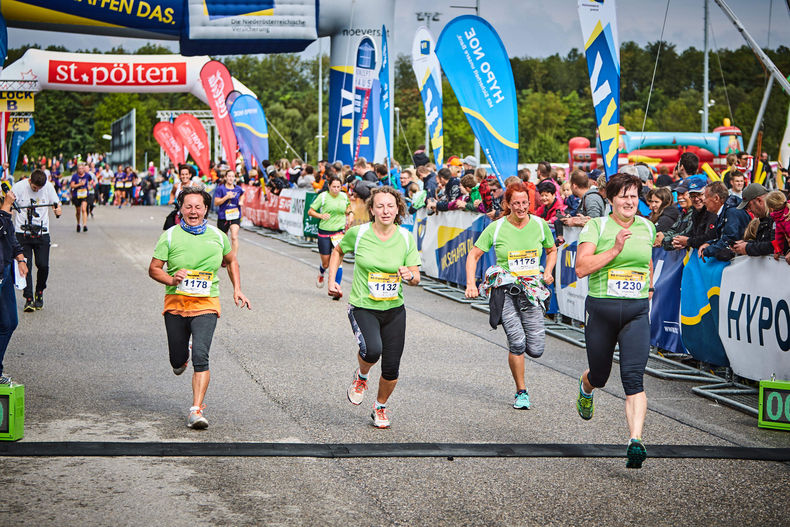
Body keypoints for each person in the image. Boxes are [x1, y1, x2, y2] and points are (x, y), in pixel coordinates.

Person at [148, 186, 251, 429]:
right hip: (175, 305)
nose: (193, 211)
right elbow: (153, 268)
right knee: (177, 361)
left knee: (201, 356)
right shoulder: (170, 235)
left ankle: (196, 409)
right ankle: (181, 358)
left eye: (198, 207)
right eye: (188, 207)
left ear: (206, 209)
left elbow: (231, 261)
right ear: (181, 209)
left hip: (206, 303)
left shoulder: (218, 236)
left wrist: (237, 288)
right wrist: (172, 279)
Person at [574, 172, 656, 469]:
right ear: (610, 199)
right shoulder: (597, 226)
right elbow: (581, 268)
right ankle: (586, 388)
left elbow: (645, 260)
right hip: (602, 311)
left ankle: (635, 440)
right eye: (624, 196)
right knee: (600, 375)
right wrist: (616, 249)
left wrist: (647, 287)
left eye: (634, 196)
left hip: (635, 313)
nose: (630, 202)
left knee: (633, 378)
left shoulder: (647, 226)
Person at [327, 186, 421, 429]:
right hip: (363, 306)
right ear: (371, 209)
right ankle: (361, 377)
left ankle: (380, 406)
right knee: (372, 351)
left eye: (390, 206)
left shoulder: (405, 237)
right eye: (380, 206)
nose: (385, 210)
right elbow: (337, 251)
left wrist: (408, 274)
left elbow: (416, 277)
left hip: (394, 309)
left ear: (398, 208)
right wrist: (332, 280)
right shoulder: (358, 234)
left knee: (391, 367)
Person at [464, 182, 556, 409]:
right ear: (508, 204)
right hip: (504, 290)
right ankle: (521, 392)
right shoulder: (496, 228)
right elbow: (473, 255)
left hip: (531, 291)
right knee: (516, 342)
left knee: (535, 349)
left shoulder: (540, 225)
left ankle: (522, 376)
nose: (521, 207)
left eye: (525, 202)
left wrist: (548, 271)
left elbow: (552, 250)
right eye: (516, 203)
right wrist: (470, 284)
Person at [11, 169, 62, 312]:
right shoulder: (19, 187)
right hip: (23, 233)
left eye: (40, 188)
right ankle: (28, 299)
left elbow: (56, 204)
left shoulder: (48, 187)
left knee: (43, 265)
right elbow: (8, 203)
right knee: (25, 266)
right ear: (29, 181)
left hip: (42, 233)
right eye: (34, 188)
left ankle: (39, 291)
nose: (37, 190)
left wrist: (58, 210)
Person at [0, 189, 28, 384]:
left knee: (9, 322)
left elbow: (8, 232)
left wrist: (20, 257)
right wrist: (6, 207)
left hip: (6, 270)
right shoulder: (4, 208)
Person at [308, 175, 352, 294]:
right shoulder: (323, 197)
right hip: (324, 233)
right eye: (334, 187)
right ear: (329, 186)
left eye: (338, 187)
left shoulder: (343, 196)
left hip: (338, 233)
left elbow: (348, 208)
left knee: (339, 261)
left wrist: (350, 213)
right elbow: (310, 211)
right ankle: (322, 272)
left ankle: (336, 287)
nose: (336, 189)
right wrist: (320, 216)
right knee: (326, 263)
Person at [698, 181, 749, 262]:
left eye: (706, 197)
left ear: (716, 198)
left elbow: (730, 239)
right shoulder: (726, 211)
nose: (704, 201)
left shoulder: (732, 212)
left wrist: (708, 250)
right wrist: (709, 243)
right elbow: (722, 237)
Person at [732, 184, 774, 258]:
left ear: (759, 200)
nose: (749, 210)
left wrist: (747, 248)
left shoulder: (777, 216)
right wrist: (746, 243)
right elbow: (764, 242)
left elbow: (774, 245)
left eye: (749, 206)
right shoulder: (764, 219)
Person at [213, 169, 245, 256]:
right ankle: (224, 256)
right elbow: (216, 203)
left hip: (235, 215)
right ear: (226, 177)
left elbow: (242, 194)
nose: (231, 178)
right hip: (223, 216)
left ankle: (233, 259)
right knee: (224, 238)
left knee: (234, 236)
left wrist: (241, 201)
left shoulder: (238, 188)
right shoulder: (221, 189)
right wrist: (226, 197)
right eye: (229, 176)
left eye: (232, 176)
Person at [766, 190, 790, 264]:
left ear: (771, 208)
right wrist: (778, 250)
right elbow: (778, 235)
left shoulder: (787, 218)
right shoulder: (778, 218)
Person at [70, 163, 91, 232]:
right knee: (78, 211)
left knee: (84, 209)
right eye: (79, 169)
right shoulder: (75, 176)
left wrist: (89, 185)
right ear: (77, 169)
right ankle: (78, 223)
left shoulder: (87, 175)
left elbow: (91, 181)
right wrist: (80, 184)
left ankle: (85, 225)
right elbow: (72, 186)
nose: (81, 170)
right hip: (77, 195)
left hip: (85, 194)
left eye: (82, 168)